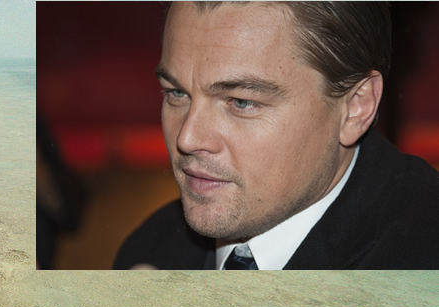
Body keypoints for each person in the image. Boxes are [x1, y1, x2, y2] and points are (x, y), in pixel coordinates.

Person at [113, 1, 439, 270]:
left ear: (356, 106)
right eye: (176, 93)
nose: (188, 137)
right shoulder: (152, 250)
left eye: (241, 102)